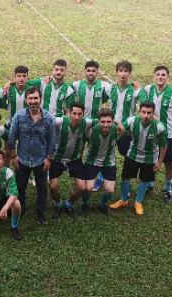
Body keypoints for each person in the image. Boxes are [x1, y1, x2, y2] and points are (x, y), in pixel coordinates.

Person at [109, 101, 167, 215]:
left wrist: (159, 162)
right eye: (143, 112)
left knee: (144, 179)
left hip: (150, 158)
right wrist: (118, 126)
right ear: (139, 112)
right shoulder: (132, 121)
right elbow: (120, 128)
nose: (146, 115)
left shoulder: (159, 127)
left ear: (153, 113)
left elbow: (164, 146)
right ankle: (123, 200)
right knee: (125, 177)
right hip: (132, 155)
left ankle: (138, 202)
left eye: (149, 113)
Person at [8, 87, 55, 225]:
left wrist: (48, 159)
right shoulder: (18, 116)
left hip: (41, 160)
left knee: (42, 189)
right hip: (22, 159)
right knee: (20, 187)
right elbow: (11, 138)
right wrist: (13, 157)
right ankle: (21, 210)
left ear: (40, 99)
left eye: (36, 98)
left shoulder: (48, 119)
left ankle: (40, 213)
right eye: (30, 98)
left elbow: (52, 141)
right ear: (26, 100)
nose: (33, 101)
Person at [144, 65, 172, 202]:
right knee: (150, 159)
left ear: (167, 77)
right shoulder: (147, 89)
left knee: (168, 163)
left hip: (168, 134)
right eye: (158, 74)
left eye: (163, 75)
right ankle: (149, 183)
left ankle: (168, 187)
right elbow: (140, 99)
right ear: (153, 76)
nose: (160, 77)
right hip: (151, 133)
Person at [49, 103, 93, 219]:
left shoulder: (86, 123)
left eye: (80, 114)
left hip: (74, 159)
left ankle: (68, 203)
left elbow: (102, 120)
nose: (77, 117)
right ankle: (58, 203)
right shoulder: (59, 122)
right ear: (69, 113)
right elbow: (44, 122)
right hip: (57, 159)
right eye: (74, 113)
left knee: (82, 187)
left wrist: (117, 124)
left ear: (83, 115)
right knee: (53, 187)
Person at [72, 60, 110, 191]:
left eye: (93, 71)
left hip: (95, 124)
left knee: (97, 149)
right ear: (85, 71)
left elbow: (113, 91)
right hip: (82, 123)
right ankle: (79, 173)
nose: (91, 73)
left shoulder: (104, 85)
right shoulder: (77, 85)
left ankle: (98, 177)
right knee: (80, 148)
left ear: (97, 72)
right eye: (88, 70)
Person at [81, 108, 122, 215]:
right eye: (102, 121)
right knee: (89, 188)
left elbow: (124, 130)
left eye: (108, 122)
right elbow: (81, 144)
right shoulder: (90, 130)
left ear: (113, 121)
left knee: (109, 190)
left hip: (109, 163)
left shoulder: (116, 129)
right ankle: (84, 204)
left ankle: (102, 205)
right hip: (91, 162)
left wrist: (120, 123)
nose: (105, 125)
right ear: (98, 121)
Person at [105, 60, 147, 157]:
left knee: (126, 154)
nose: (123, 74)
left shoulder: (134, 89)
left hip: (127, 128)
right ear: (116, 72)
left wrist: (139, 89)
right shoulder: (110, 88)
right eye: (120, 71)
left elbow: (145, 103)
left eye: (126, 71)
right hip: (111, 126)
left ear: (130, 73)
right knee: (106, 154)